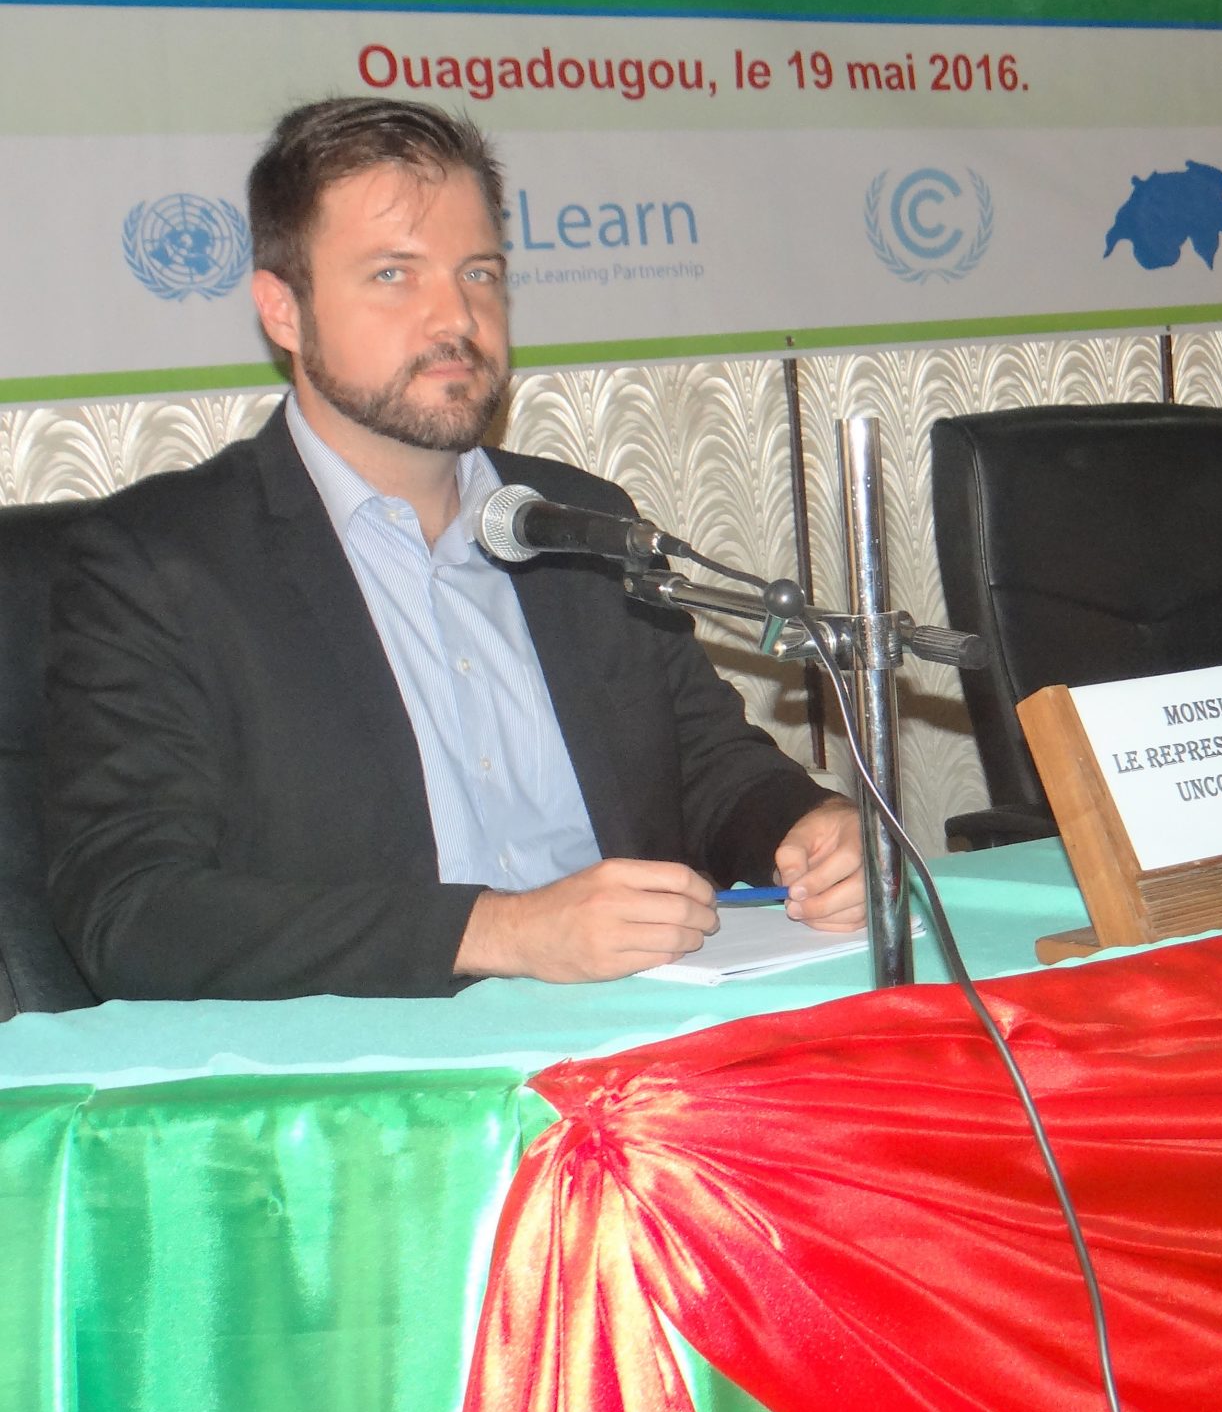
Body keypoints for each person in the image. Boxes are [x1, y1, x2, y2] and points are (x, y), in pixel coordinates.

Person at [45, 97, 866, 1001]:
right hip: (382, 1089)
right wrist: (500, 931)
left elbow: (706, 767)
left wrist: (809, 827)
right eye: (394, 275)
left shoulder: (577, 522)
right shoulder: (156, 565)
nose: (456, 318)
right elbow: (132, 912)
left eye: (480, 272)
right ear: (284, 310)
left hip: (643, 1036)